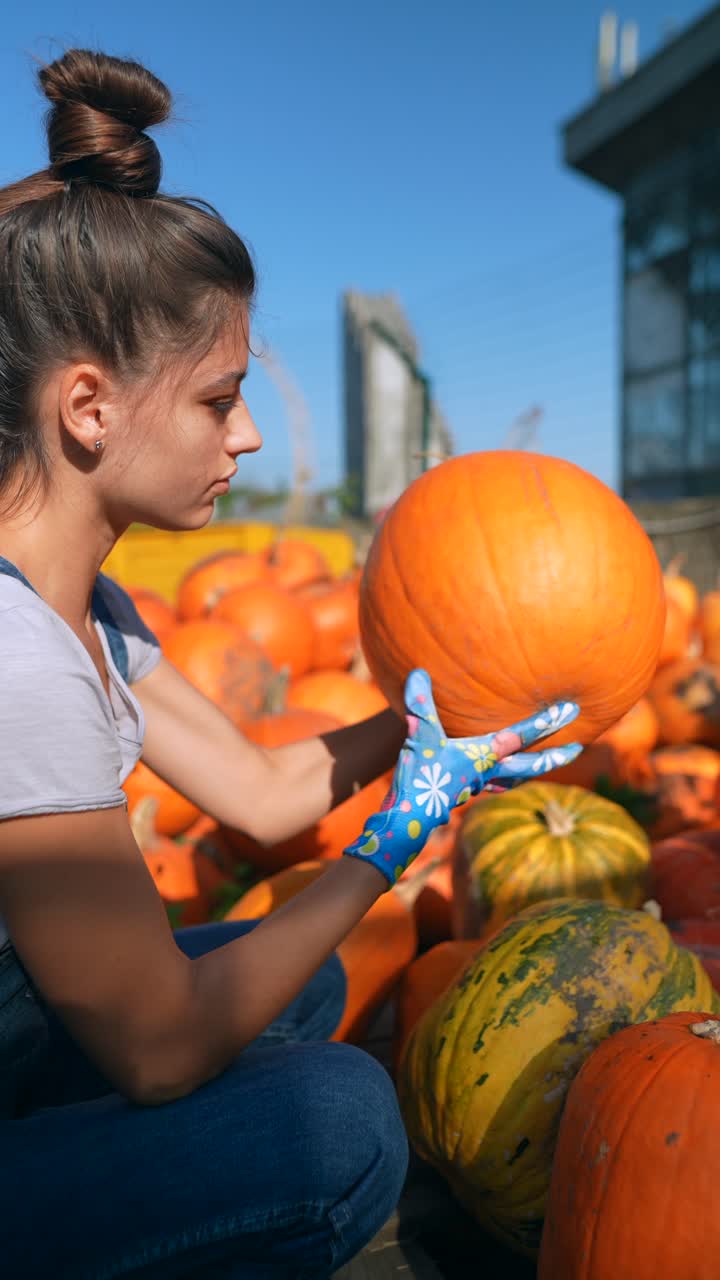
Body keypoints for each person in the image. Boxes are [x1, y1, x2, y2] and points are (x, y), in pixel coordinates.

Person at [0, 48, 583, 1280]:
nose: (248, 433)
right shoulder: (16, 661)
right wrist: (390, 846)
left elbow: (260, 794)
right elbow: (159, 1049)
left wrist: (431, 726)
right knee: (336, 1121)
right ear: (90, 406)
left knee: (303, 982)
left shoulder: (84, 613)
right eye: (219, 399)